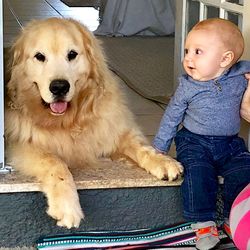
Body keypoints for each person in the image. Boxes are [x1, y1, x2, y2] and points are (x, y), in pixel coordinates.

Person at [153, 18, 250, 250]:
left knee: (244, 170)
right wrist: (159, 149)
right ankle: (203, 222)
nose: (188, 58)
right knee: (198, 173)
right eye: (187, 51)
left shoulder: (239, 75)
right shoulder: (187, 87)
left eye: (198, 52)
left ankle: (231, 216)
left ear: (225, 59)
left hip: (230, 143)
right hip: (194, 142)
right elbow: (172, 117)